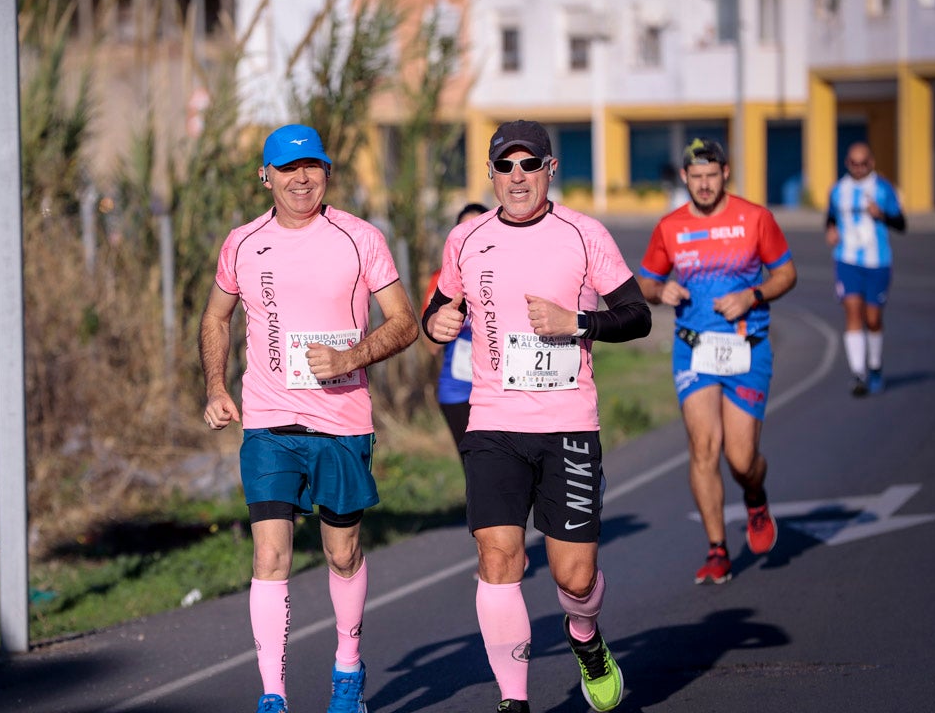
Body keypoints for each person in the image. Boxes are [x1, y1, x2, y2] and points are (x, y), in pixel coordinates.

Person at [422, 120, 651, 713]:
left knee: (574, 579)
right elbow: (440, 304)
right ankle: (514, 700)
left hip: (568, 424)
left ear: (550, 170)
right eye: (506, 166)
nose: (517, 177)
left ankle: (586, 639)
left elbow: (636, 314)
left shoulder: (583, 233)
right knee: (499, 556)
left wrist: (577, 323)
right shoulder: (467, 239)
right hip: (493, 420)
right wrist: (435, 323)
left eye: (529, 165)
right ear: (492, 175)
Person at [199, 124, 419, 713]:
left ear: (327, 172)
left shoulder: (358, 237)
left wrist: (351, 356)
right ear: (264, 176)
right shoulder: (243, 243)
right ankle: (273, 694)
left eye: (313, 167)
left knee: (342, 554)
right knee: (269, 556)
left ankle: (348, 665)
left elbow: (405, 321)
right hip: (270, 422)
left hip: (342, 423)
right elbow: (216, 317)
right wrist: (217, 387)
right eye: (288, 169)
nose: (302, 179)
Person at [637, 138, 797, 586]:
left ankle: (756, 496)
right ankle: (717, 550)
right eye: (696, 177)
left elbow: (786, 272)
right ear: (684, 177)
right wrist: (660, 291)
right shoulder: (670, 227)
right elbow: (645, 281)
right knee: (703, 447)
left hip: (747, 346)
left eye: (712, 176)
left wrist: (754, 294)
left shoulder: (755, 218)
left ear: (725, 173)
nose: (704, 185)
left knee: (741, 458)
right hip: (694, 348)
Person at [825, 142, 906, 396]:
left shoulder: (883, 188)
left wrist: (881, 214)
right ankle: (858, 373)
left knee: (872, 318)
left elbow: (901, 223)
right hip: (846, 259)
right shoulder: (838, 190)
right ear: (847, 163)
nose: (858, 168)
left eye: (863, 163)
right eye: (853, 163)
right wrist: (830, 229)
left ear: (871, 162)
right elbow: (830, 216)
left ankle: (875, 365)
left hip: (877, 261)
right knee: (852, 312)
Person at [424, 202, 489, 449]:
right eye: (465, 232)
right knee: (474, 466)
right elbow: (431, 346)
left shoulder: (508, 275)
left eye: (479, 231)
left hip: (499, 391)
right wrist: (445, 315)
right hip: (458, 391)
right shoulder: (442, 281)